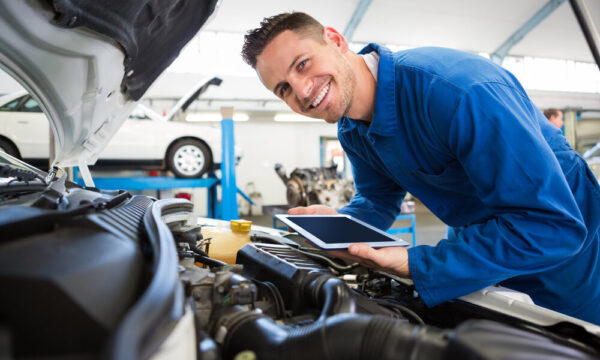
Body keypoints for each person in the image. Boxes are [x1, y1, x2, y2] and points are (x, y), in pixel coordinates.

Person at [241, 12, 600, 324]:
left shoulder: (457, 91)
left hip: (567, 257)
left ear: (335, 39)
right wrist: (339, 226)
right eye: (284, 88)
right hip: (482, 242)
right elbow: (377, 201)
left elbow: (553, 227)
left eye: (302, 64)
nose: (302, 92)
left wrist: (417, 264)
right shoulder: (351, 130)